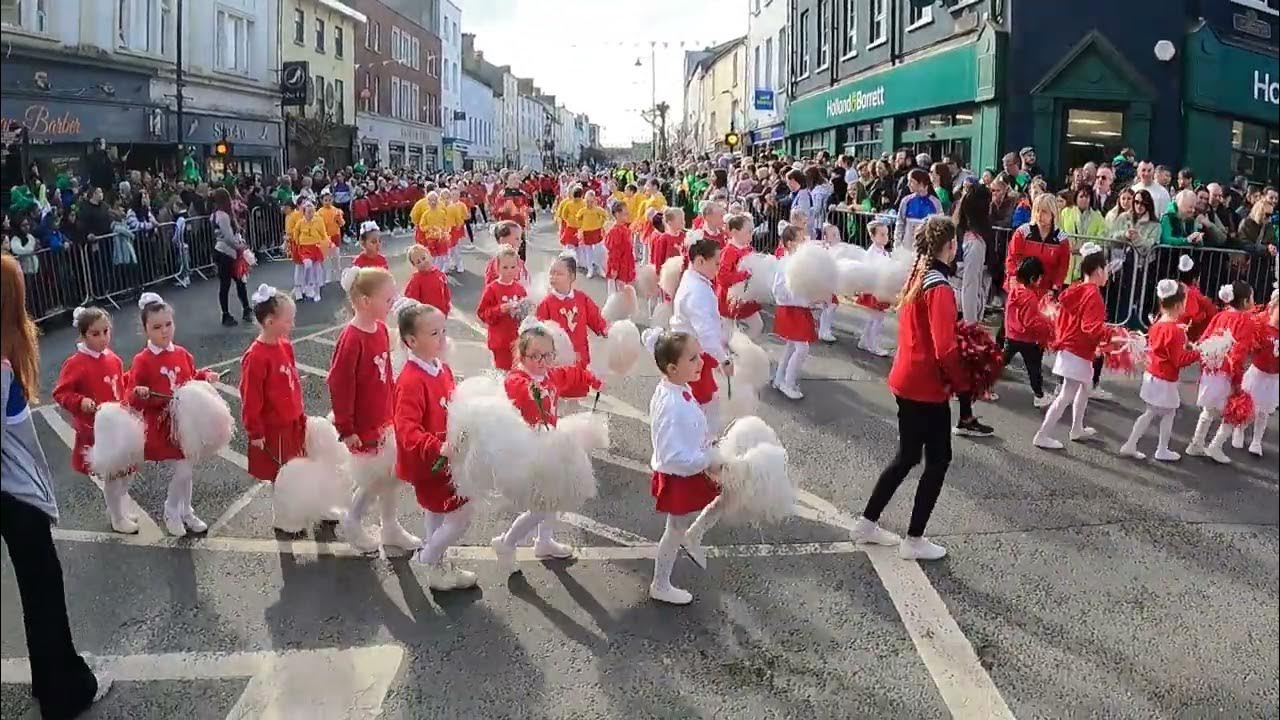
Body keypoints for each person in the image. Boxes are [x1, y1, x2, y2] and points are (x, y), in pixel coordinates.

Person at [1, 255, 113, 718]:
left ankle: (51, 680)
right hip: (14, 493)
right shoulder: (3, 364)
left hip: (14, 492)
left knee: (38, 590)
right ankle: (65, 690)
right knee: (43, 589)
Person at [851, 216, 967, 561]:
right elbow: (945, 347)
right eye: (955, 242)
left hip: (904, 377)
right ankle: (914, 539)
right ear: (948, 246)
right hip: (926, 385)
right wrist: (964, 383)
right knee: (938, 459)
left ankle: (867, 523)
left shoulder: (918, 274)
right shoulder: (941, 287)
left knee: (907, 456)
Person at [491, 324, 603, 571]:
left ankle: (544, 541)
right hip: (529, 451)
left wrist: (591, 378)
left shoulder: (550, 374)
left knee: (554, 497)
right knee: (541, 506)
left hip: (550, 444)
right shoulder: (517, 379)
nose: (543, 361)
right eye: (535, 356)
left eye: (548, 355)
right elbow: (519, 390)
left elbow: (571, 374)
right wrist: (533, 391)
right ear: (522, 356)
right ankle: (507, 542)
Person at [329, 267, 422, 554]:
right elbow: (339, 384)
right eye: (387, 299)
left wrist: (395, 409)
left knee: (392, 474)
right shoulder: (352, 338)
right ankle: (353, 519)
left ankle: (390, 526)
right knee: (372, 479)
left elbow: (387, 374)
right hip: (363, 424)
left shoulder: (380, 329)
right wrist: (346, 429)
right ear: (365, 301)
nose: (392, 304)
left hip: (385, 417)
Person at [390, 299, 475, 591]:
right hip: (432, 461)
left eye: (443, 330)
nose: (443, 338)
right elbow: (405, 428)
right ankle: (428, 558)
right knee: (461, 515)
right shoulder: (411, 380)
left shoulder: (441, 368)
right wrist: (437, 446)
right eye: (434, 333)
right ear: (411, 340)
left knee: (436, 512)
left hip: (445, 458)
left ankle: (437, 568)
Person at [128, 292, 220, 535]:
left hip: (186, 423)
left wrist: (206, 376)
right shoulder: (142, 361)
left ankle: (186, 510)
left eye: (168, 325)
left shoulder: (180, 353)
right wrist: (141, 393)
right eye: (157, 327)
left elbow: (191, 376)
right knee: (183, 469)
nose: (164, 331)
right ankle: (171, 509)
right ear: (146, 329)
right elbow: (131, 397)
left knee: (187, 469)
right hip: (164, 426)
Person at [645, 330, 724, 604]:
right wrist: (708, 458)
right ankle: (660, 584)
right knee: (674, 530)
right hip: (681, 474)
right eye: (693, 358)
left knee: (725, 495)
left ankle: (695, 534)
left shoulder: (677, 387)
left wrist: (707, 443)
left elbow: (688, 430)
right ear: (672, 368)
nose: (701, 362)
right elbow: (672, 456)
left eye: (699, 354)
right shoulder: (672, 404)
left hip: (692, 465)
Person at [51, 306, 135, 533]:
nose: (103, 338)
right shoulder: (75, 363)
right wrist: (80, 402)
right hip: (96, 429)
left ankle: (119, 507)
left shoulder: (113, 359)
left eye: (106, 331)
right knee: (112, 474)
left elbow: (120, 386)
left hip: (118, 425)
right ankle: (117, 517)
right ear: (82, 335)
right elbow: (61, 393)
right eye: (95, 334)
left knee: (128, 471)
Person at [1032, 245, 1110, 450]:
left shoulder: (1076, 289)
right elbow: (1090, 327)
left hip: (1072, 349)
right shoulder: (1093, 295)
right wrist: (1110, 336)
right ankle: (1042, 434)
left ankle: (1077, 428)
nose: (1108, 274)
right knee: (1067, 394)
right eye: (1107, 269)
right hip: (1078, 351)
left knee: (1084, 388)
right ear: (1099, 271)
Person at [1119, 280, 1200, 462]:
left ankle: (1139, 445)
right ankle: (1151, 447)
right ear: (1179, 304)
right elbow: (1178, 360)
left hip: (1153, 375)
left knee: (1155, 412)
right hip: (1164, 379)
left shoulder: (1157, 324)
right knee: (1159, 413)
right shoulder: (1176, 331)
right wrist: (1198, 353)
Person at [1188, 281, 1258, 464]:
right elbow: (1239, 353)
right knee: (1233, 413)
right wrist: (1237, 380)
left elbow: (1204, 340)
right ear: (1244, 301)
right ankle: (1215, 446)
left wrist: (1205, 365)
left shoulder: (1221, 315)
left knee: (1208, 410)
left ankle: (1196, 443)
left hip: (1211, 371)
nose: (1254, 300)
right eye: (1252, 297)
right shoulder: (1246, 321)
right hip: (1227, 374)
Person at [671, 236, 732, 424]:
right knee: (702, 404)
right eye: (715, 263)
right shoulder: (696, 291)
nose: (718, 267)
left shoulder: (694, 280)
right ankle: (700, 443)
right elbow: (706, 335)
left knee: (699, 402)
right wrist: (725, 360)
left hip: (690, 351)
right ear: (700, 261)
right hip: (692, 354)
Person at [535, 254, 608, 367]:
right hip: (557, 358)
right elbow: (540, 331)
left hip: (581, 353)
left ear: (572, 277)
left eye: (559, 274)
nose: (553, 277)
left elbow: (594, 317)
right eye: (552, 273)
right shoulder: (546, 303)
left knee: (581, 381)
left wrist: (603, 329)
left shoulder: (581, 298)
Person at [771, 225, 817, 400]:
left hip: (798, 309)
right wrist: (805, 301)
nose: (804, 242)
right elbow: (778, 291)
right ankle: (787, 383)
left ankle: (779, 379)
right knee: (801, 348)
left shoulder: (799, 262)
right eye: (800, 239)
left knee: (792, 346)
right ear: (790, 244)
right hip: (791, 310)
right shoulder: (785, 263)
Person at [1003, 257, 1054, 408]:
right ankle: (1039, 395)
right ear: (1033, 278)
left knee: (1000, 361)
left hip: (1012, 335)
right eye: (1039, 278)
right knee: (1034, 369)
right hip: (1028, 340)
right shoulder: (1030, 297)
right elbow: (1030, 322)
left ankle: (982, 385)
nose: (1040, 281)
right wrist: (1047, 324)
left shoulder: (1015, 291)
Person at [1233, 295, 1278, 457]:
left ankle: (1257, 440)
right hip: (1257, 373)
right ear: (1272, 308)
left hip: (1273, 378)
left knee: (1263, 411)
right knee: (1248, 405)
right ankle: (1239, 429)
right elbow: (1249, 345)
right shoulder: (1262, 325)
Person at [1005, 193, 1071, 298]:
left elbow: (1062, 267)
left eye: (1044, 212)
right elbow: (1012, 258)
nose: (1039, 215)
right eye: (1037, 210)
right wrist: (1014, 278)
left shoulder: (1061, 239)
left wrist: (1055, 287)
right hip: (1021, 289)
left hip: (1046, 292)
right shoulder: (1022, 232)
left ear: (1053, 213)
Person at [475, 246, 528, 371]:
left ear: (518, 268)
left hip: (518, 340)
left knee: (519, 371)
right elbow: (482, 313)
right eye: (505, 267)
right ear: (497, 268)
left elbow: (526, 313)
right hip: (500, 341)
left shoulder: (520, 288)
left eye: (513, 267)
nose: (509, 271)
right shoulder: (492, 289)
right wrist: (499, 310)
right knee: (503, 372)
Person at [716, 212, 765, 339]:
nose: (751, 235)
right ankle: (733, 353)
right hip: (730, 299)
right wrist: (744, 275)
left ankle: (742, 351)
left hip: (746, 297)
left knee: (757, 325)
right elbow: (722, 277)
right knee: (727, 333)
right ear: (734, 232)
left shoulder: (748, 248)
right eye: (748, 232)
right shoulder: (729, 251)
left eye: (751, 231)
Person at [210, 188, 252, 325]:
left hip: (222, 251)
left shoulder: (215, 215)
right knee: (233, 282)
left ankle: (238, 311)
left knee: (231, 283)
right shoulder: (223, 216)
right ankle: (237, 312)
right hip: (227, 253)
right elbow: (228, 237)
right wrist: (239, 247)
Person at [853, 220, 893, 356]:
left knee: (874, 317)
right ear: (872, 236)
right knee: (878, 317)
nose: (885, 237)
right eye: (881, 234)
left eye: (886, 234)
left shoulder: (883, 252)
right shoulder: (871, 253)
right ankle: (873, 344)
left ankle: (864, 340)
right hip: (874, 288)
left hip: (880, 287)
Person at [894, 168, 944, 247]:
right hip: (908, 246)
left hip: (926, 247)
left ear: (921, 183)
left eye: (911, 181)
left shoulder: (935, 202)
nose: (908, 184)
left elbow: (940, 225)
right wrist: (897, 243)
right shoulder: (906, 201)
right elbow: (900, 223)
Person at [292, 200, 329, 303]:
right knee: (307, 265)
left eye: (313, 212)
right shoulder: (300, 222)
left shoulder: (318, 221)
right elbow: (296, 233)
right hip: (304, 248)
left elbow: (323, 233)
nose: (311, 214)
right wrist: (297, 242)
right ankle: (307, 285)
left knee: (317, 270)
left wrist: (326, 242)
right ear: (304, 212)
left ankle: (317, 292)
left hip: (315, 247)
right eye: (309, 212)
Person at [403, 244, 451, 316]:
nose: (422, 263)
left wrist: (447, 306)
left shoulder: (439, 274)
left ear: (429, 255)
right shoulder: (415, 279)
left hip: (441, 311)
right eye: (418, 262)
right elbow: (411, 300)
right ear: (414, 265)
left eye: (423, 258)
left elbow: (446, 291)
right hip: (426, 316)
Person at [603, 200, 636, 294]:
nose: (628, 214)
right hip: (618, 268)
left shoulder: (625, 229)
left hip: (626, 265)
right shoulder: (614, 232)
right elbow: (614, 252)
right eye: (625, 213)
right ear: (617, 214)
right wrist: (614, 269)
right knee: (616, 295)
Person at [576, 191, 609, 279]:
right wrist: (581, 227)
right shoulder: (582, 211)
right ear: (585, 200)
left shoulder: (598, 209)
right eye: (587, 201)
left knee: (598, 251)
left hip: (596, 231)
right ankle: (590, 269)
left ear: (594, 200)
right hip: (586, 232)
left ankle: (600, 268)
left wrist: (601, 224)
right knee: (588, 251)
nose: (589, 203)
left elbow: (606, 216)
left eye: (591, 201)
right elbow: (578, 219)